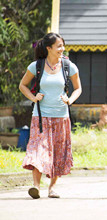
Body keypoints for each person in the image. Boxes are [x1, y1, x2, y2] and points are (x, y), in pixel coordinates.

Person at [19, 32, 82, 199]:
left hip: (61, 117)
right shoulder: (36, 66)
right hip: (40, 117)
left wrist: (70, 100)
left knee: (57, 152)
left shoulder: (69, 66)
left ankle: (52, 188)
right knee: (38, 150)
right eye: (59, 46)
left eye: (62, 45)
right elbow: (23, 85)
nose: (62, 49)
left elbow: (78, 88)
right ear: (49, 48)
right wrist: (33, 97)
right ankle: (36, 187)